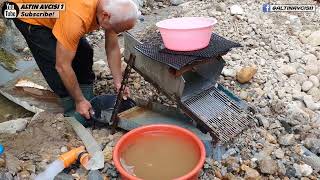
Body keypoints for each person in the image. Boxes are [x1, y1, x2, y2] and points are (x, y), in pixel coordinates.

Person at [11, 0, 139, 125]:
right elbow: (62, 66)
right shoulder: (76, 17)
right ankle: (71, 107)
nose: (115, 33)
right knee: (53, 60)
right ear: (105, 15)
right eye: (116, 30)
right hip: (29, 11)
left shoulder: (110, 7)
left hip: (61, 9)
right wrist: (79, 100)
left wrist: (118, 81)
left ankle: (86, 94)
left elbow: (112, 48)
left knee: (84, 52)